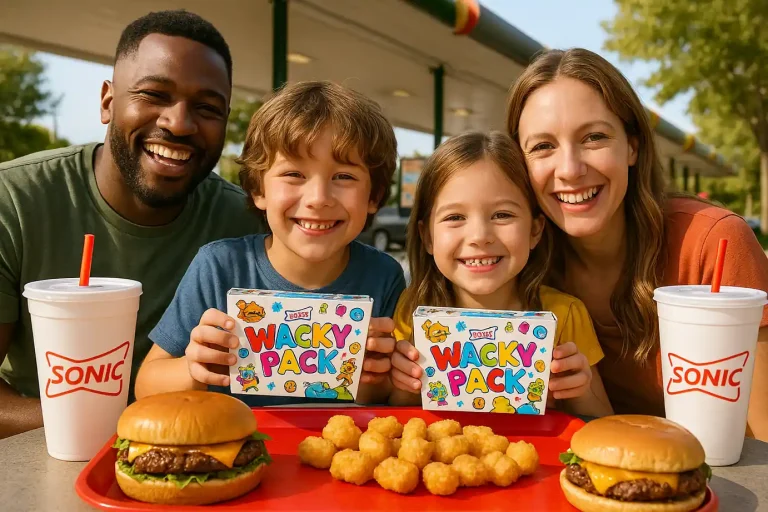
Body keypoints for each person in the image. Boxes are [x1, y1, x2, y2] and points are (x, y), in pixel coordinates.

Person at [0, 10, 263, 439]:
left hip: (203, 461)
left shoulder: (245, 225)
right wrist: (119, 427)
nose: (178, 122)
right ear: (108, 101)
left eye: (207, 107)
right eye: (154, 94)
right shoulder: (13, 200)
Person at [506, 48, 768, 440]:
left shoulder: (712, 242)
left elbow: (763, 443)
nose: (570, 169)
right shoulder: (518, 261)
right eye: (543, 146)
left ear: (632, 145)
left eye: (593, 137)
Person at [134, 81, 406, 405]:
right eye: (294, 174)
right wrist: (194, 368)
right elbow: (145, 386)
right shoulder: (219, 267)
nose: (318, 199)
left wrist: (371, 376)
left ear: (373, 196)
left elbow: (380, 400)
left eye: (344, 177)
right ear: (258, 190)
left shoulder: (383, 275)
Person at [388, 131, 614, 418]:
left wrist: (579, 388)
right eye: (455, 218)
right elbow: (396, 416)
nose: (480, 237)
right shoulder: (412, 309)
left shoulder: (564, 315)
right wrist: (405, 382)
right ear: (427, 236)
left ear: (535, 230)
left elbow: (603, 424)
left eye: (502, 215)